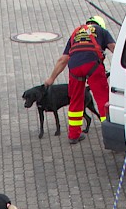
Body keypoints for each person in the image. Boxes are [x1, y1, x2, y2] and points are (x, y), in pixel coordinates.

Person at [43, 14, 115, 143]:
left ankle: (74, 135)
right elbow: (115, 49)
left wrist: (51, 78)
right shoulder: (102, 31)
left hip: (75, 67)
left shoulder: (75, 33)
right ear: (100, 25)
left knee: (75, 99)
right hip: (93, 65)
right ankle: (110, 136)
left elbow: (63, 59)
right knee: (103, 100)